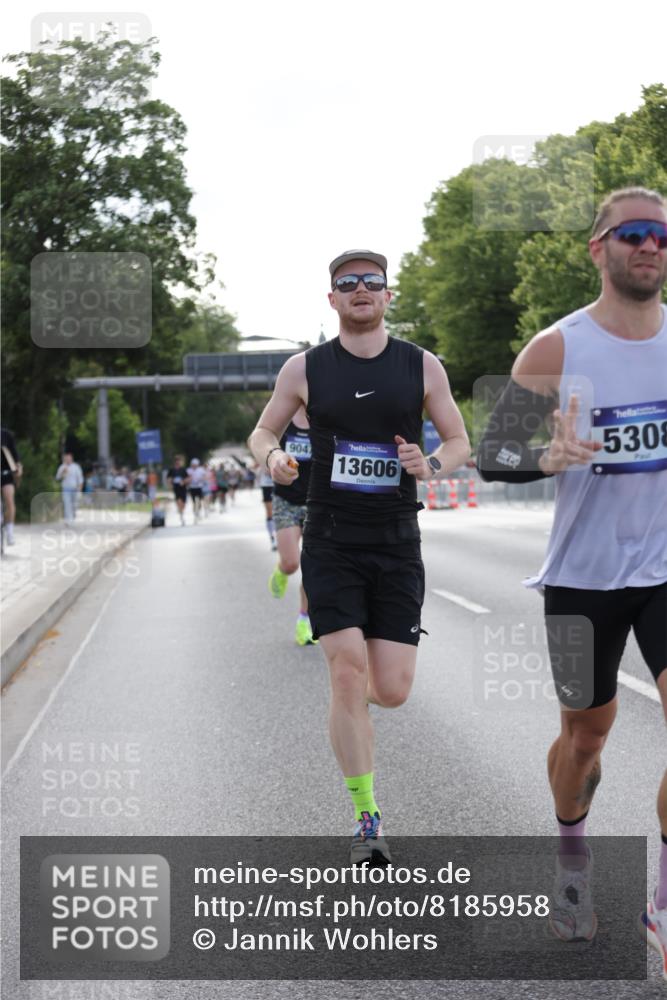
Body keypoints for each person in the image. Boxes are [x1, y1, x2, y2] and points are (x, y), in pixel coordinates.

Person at [477, 188, 667, 966]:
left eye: (660, 234)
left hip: (663, 568)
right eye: (633, 233)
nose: (650, 245)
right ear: (599, 248)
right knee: (584, 737)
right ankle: (572, 865)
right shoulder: (554, 349)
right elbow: (495, 455)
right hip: (580, 579)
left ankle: (659, 902)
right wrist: (543, 458)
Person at [249, 249, 469, 863]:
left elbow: (457, 439)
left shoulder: (422, 367)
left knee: (391, 689)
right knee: (346, 670)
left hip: (397, 539)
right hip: (331, 538)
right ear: (333, 300)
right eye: (348, 284)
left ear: (387, 295)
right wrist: (272, 457)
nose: (361, 290)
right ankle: (367, 815)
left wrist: (431, 466)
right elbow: (264, 430)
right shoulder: (305, 368)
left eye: (372, 281)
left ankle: (350, 706)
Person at [265, 404, 316, 645]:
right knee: (292, 562)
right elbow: (262, 437)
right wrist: (274, 457)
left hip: (317, 502)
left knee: (313, 565)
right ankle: (282, 570)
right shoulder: (284, 414)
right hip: (286, 499)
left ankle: (304, 621)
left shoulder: (323, 412)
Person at [1, 427, 22, 546]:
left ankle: (10, 532)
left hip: (6, 473)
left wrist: (18, 468)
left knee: (9, 500)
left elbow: (15, 455)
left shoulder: (6, 435)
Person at [55, 452, 84, 526]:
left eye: (69, 458)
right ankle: (68, 520)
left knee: (74, 505)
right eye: (66, 458)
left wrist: (80, 489)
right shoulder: (62, 467)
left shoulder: (76, 467)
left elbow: (80, 479)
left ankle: (73, 515)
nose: (67, 459)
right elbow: (57, 477)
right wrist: (62, 472)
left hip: (75, 489)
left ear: (71, 458)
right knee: (67, 504)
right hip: (66, 489)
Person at [167, 455, 190, 526]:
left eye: (179, 461)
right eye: (177, 461)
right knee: (178, 500)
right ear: (175, 462)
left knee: (183, 503)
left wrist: (184, 482)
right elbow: (168, 478)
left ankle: (181, 511)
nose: (178, 462)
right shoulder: (172, 470)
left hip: (183, 487)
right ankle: (181, 515)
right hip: (176, 487)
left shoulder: (183, 469)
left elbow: (188, 478)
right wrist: (170, 484)